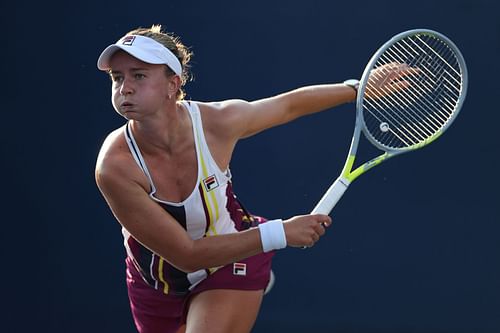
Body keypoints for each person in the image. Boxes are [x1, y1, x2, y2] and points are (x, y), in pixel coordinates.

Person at [95, 25, 410, 333]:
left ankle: (247, 280)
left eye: (139, 75)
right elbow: (185, 255)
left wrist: (357, 89)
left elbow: (288, 106)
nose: (125, 88)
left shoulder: (217, 122)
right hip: (157, 284)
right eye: (117, 77)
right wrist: (280, 233)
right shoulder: (115, 165)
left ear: (172, 85)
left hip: (232, 259)